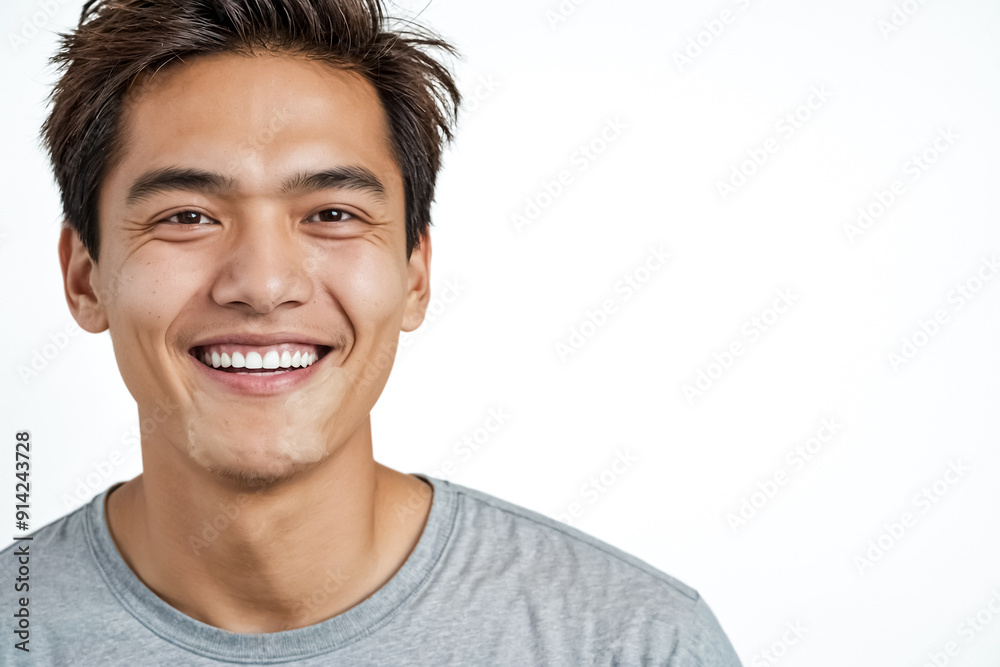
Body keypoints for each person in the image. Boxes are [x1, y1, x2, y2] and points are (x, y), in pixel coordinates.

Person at [1, 0, 742, 664]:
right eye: (187, 216)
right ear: (84, 276)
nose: (263, 284)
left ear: (415, 274)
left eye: (332, 214)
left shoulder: (632, 643)